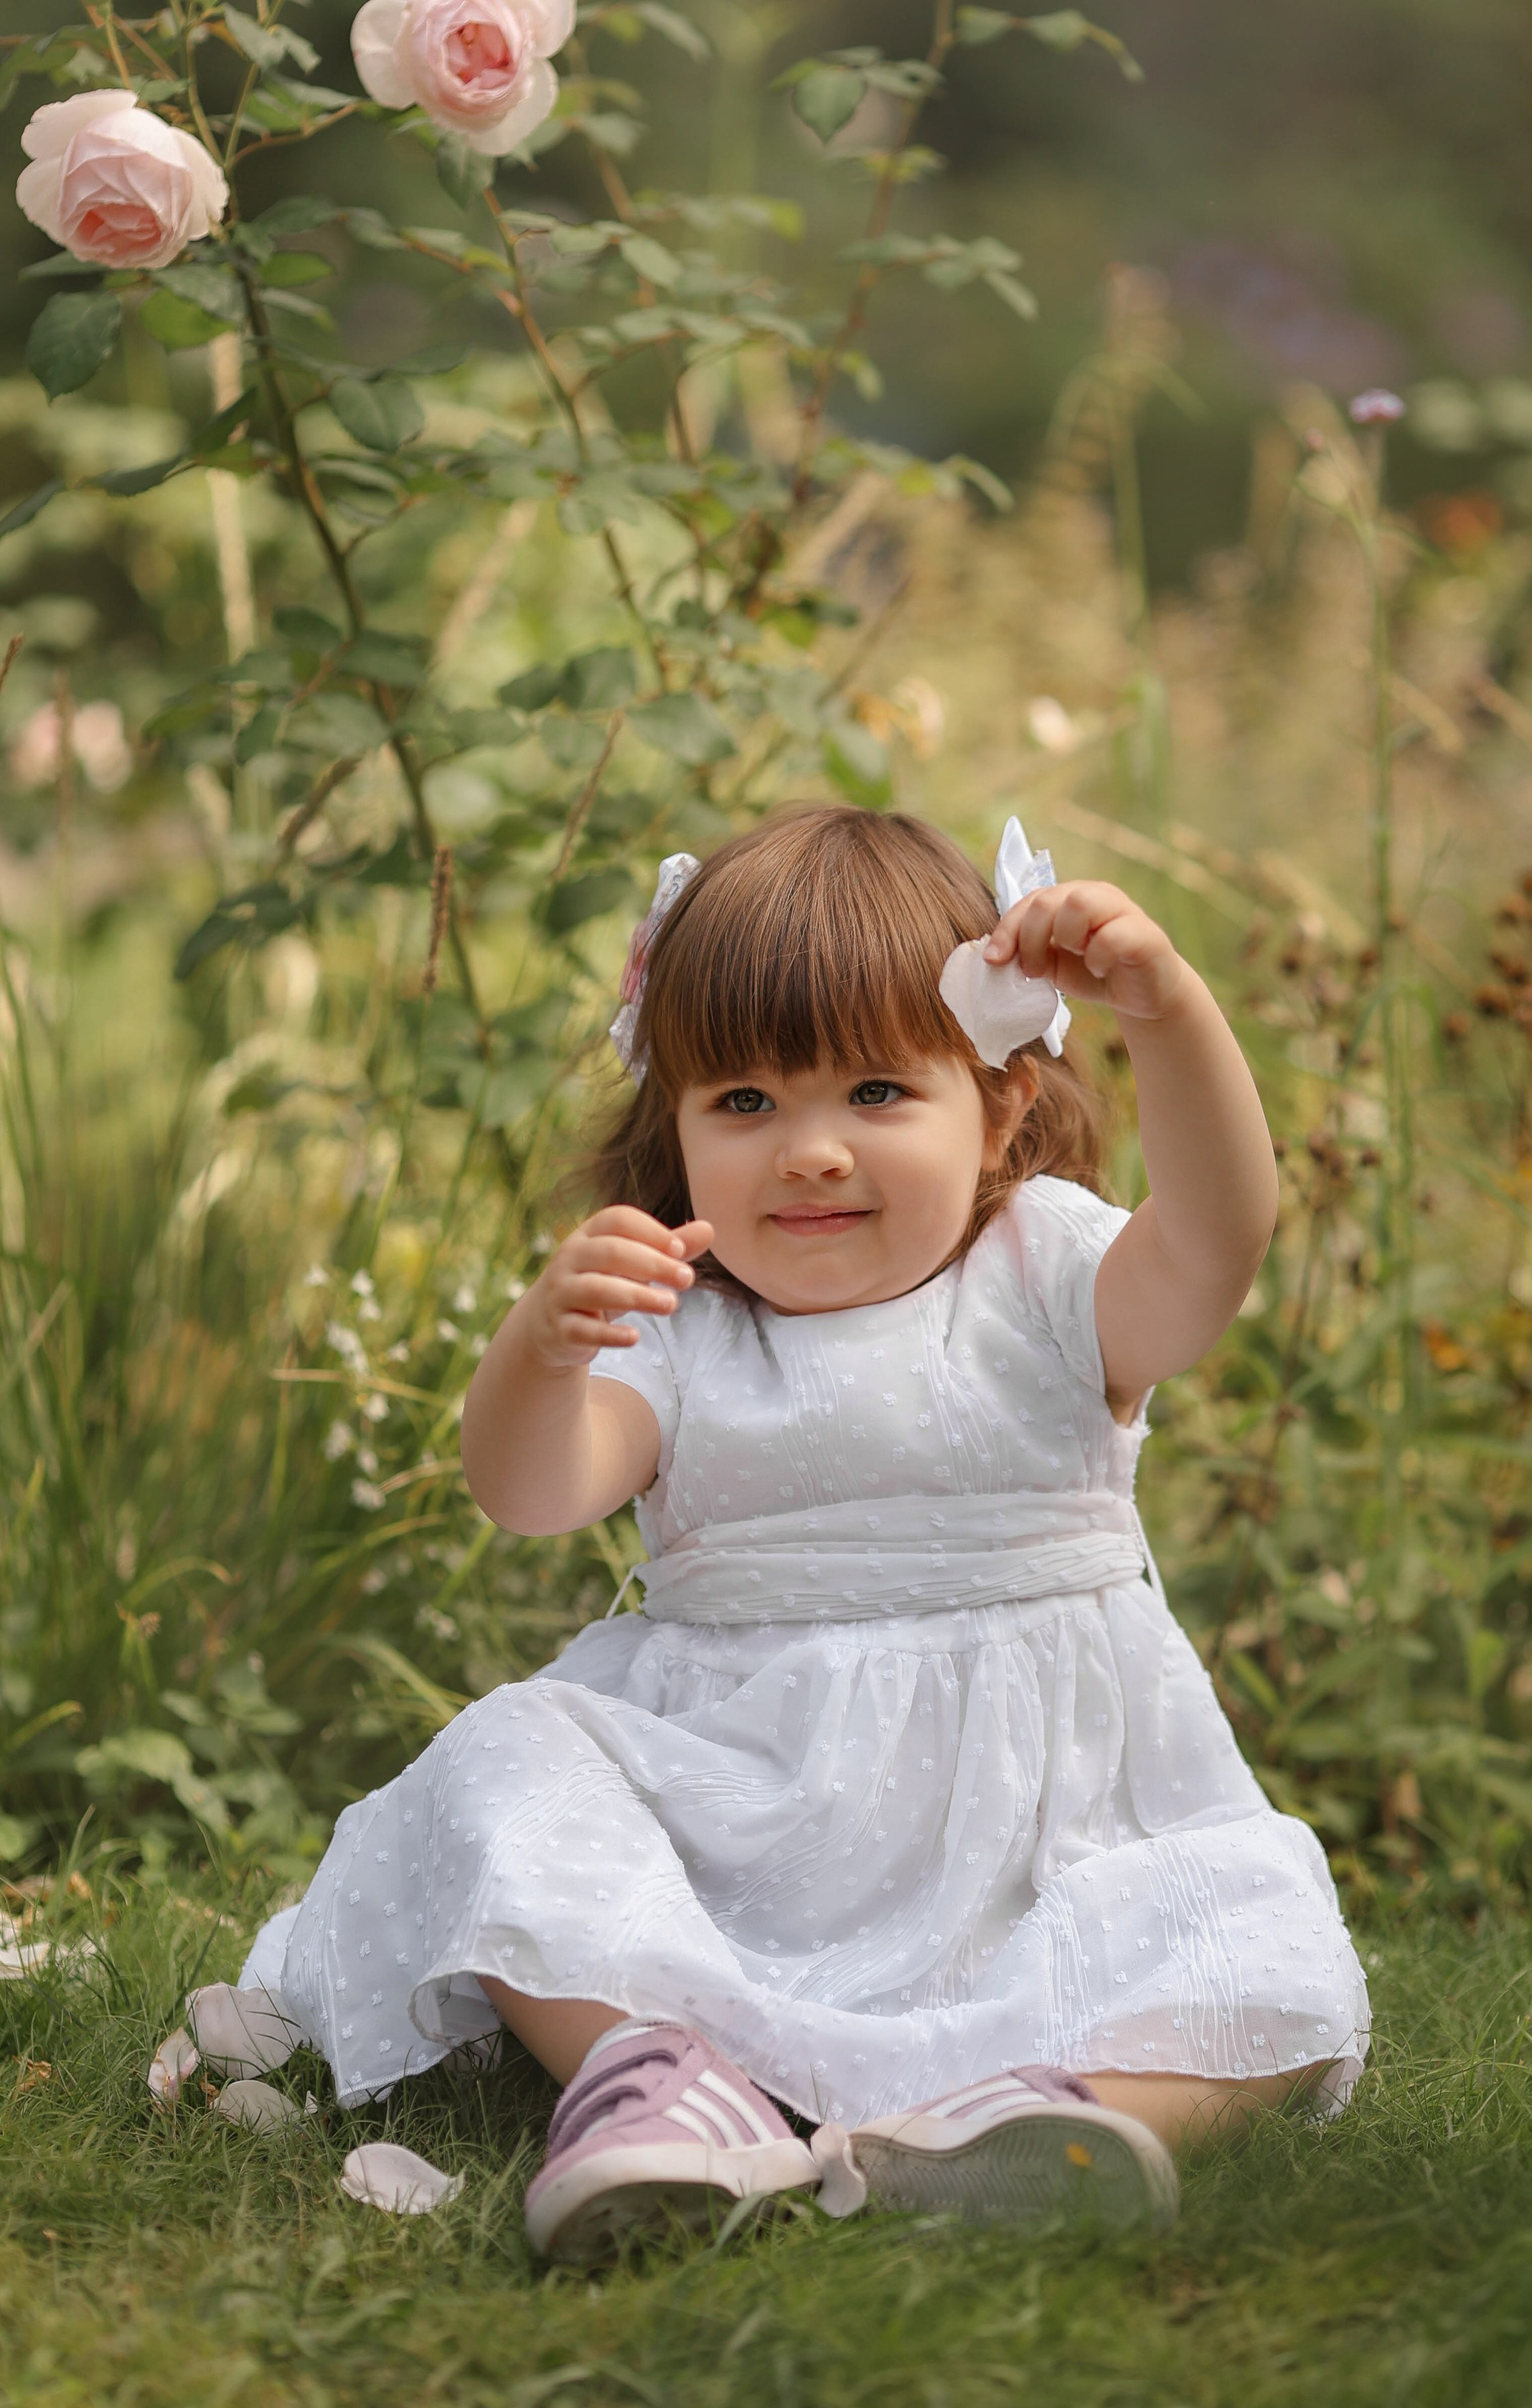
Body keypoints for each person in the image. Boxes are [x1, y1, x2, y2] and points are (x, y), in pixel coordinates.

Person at [247, 805, 1367, 2262]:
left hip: (1042, 1842)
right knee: (500, 1768)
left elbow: (1221, 1238)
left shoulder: (1052, 1282)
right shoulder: (681, 1332)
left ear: (1002, 1111)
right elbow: (530, 1491)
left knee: (1257, 1917)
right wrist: (540, 1349)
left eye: (878, 1092)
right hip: (737, 1835)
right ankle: (661, 2078)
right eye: (746, 1103)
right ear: (677, 1125)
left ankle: (1056, 2119)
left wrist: (1167, 1010)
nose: (812, 1152)